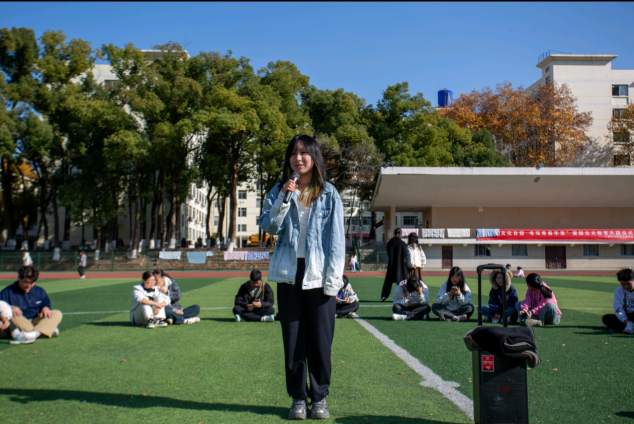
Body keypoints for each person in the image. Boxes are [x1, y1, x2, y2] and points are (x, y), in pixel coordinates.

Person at [259, 134, 344, 420]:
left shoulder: (329, 193)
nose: (298, 158)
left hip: (319, 274)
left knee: (321, 341)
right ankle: (298, 398)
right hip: (290, 274)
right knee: (294, 340)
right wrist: (284, 198)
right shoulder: (279, 190)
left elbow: (337, 240)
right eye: (294, 153)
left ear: (314, 156)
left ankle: (319, 398)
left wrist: (334, 280)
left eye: (304, 152)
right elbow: (269, 226)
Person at [0, 266, 62, 345]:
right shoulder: (7, 292)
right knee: (10, 314)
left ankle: (32, 334)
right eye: (26, 282)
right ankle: (45, 331)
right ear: (19, 278)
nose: (28, 285)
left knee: (57, 313)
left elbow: (46, 305)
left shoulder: (40, 291)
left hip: (34, 321)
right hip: (17, 322)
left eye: (31, 283)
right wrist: (9, 308)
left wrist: (45, 308)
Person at [602, 268, 634, 334]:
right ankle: (629, 326)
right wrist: (626, 321)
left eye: (628, 284)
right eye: (623, 284)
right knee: (606, 318)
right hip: (627, 316)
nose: (626, 286)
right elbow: (618, 309)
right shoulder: (618, 291)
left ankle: (628, 328)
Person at [380, 228, 408, 302]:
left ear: (394, 233)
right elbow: (405, 255)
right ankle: (404, 296)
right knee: (402, 281)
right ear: (401, 234)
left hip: (391, 264)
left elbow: (389, 254)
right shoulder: (403, 244)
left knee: (388, 281)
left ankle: (384, 295)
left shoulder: (390, 243)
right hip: (401, 265)